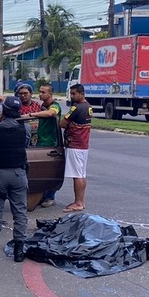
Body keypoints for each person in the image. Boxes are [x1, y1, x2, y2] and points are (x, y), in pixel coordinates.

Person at [0, 95, 30, 264]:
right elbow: (26, 145)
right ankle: (19, 252)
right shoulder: (26, 128)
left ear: (4, 110)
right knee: (20, 213)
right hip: (19, 174)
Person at [24, 83, 61, 207]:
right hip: (40, 142)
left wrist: (31, 115)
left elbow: (51, 113)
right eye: (39, 91)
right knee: (40, 171)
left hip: (51, 144)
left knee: (50, 172)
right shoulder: (42, 106)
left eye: (43, 92)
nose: (40, 94)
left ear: (50, 94)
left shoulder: (54, 106)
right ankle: (42, 196)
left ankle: (50, 197)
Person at [58, 83, 92, 213]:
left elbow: (62, 123)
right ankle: (81, 201)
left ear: (81, 93)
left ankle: (78, 202)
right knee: (81, 174)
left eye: (74, 94)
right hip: (83, 144)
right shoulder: (88, 106)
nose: (72, 96)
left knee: (77, 175)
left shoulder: (76, 108)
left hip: (75, 144)